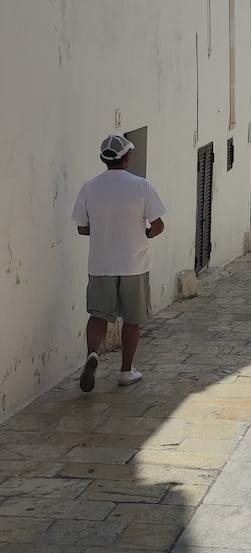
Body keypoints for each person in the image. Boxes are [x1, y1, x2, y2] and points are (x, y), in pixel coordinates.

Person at [72, 134, 166, 392]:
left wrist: (105, 229)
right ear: (126, 158)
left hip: (101, 264)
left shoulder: (88, 187)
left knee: (98, 315)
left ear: (104, 159)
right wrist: (145, 233)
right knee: (132, 319)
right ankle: (126, 371)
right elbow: (158, 225)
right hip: (134, 264)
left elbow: (82, 228)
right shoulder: (142, 186)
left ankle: (93, 353)